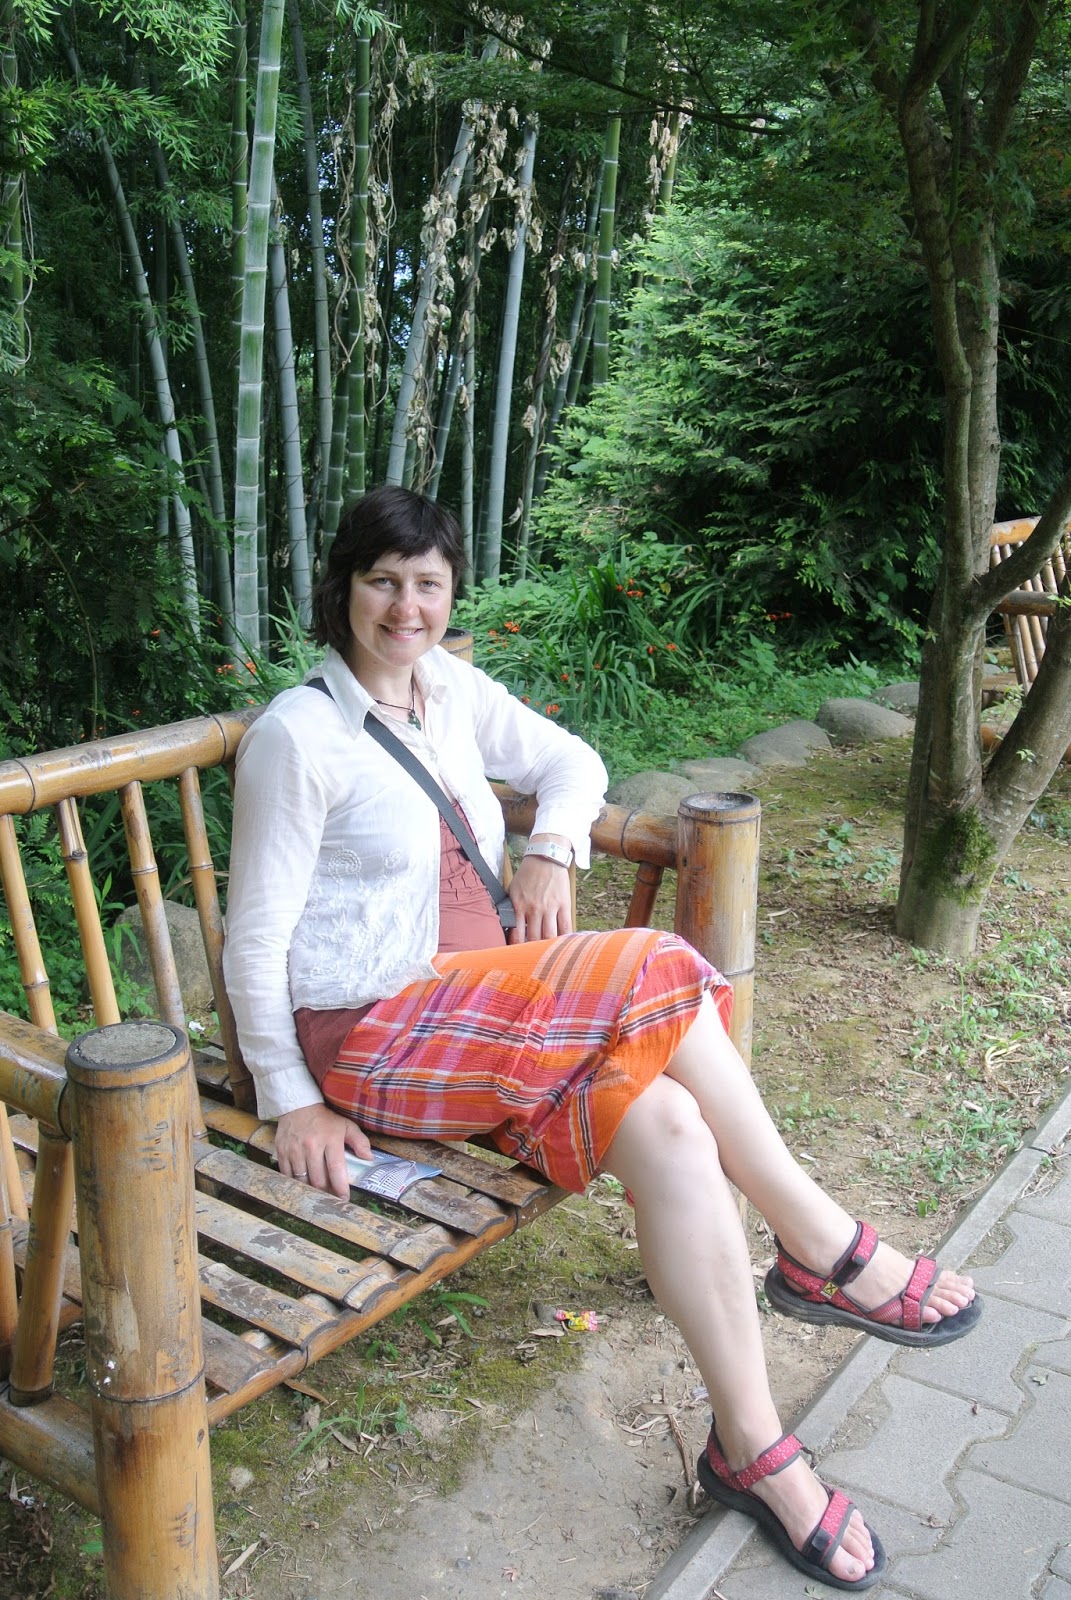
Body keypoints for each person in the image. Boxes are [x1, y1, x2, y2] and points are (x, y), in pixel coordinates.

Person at [224, 486, 982, 1592]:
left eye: (428, 583)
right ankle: (822, 1246)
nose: (406, 607)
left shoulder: (449, 691)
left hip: (488, 1020)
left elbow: (571, 762)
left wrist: (553, 849)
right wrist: (292, 1095)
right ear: (342, 588)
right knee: (656, 963)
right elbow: (255, 936)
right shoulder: (299, 737)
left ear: (451, 592)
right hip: (374, 1034)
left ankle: (752, 1448)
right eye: (382, 581)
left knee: (671, 1127)